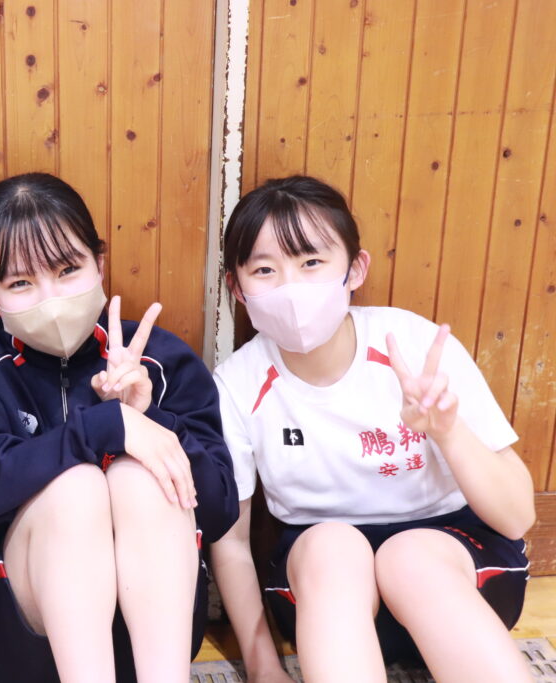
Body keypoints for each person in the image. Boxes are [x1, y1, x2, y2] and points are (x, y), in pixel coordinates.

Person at [210, 175, 535, 682]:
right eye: (265, 270)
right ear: (237, 286)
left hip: (464, 573)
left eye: (311, 262)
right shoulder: (237, 383)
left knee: (410, 557)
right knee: (333, 546)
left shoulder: (414, 344)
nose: (291, 287)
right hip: (321, 589)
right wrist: (263, 667)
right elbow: (230, 542)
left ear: (355, 268)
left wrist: (448, 431)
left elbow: (516, 517)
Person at [0, 172, 239, 683]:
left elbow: (217, 512)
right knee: (75, 488)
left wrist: (149, 419)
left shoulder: (160, 358)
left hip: (158, 633)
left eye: (67, 270)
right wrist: (103, 427)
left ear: (99, 263)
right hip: (24, 636)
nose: (50, 297)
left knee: (140, 477)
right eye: (20, 283)